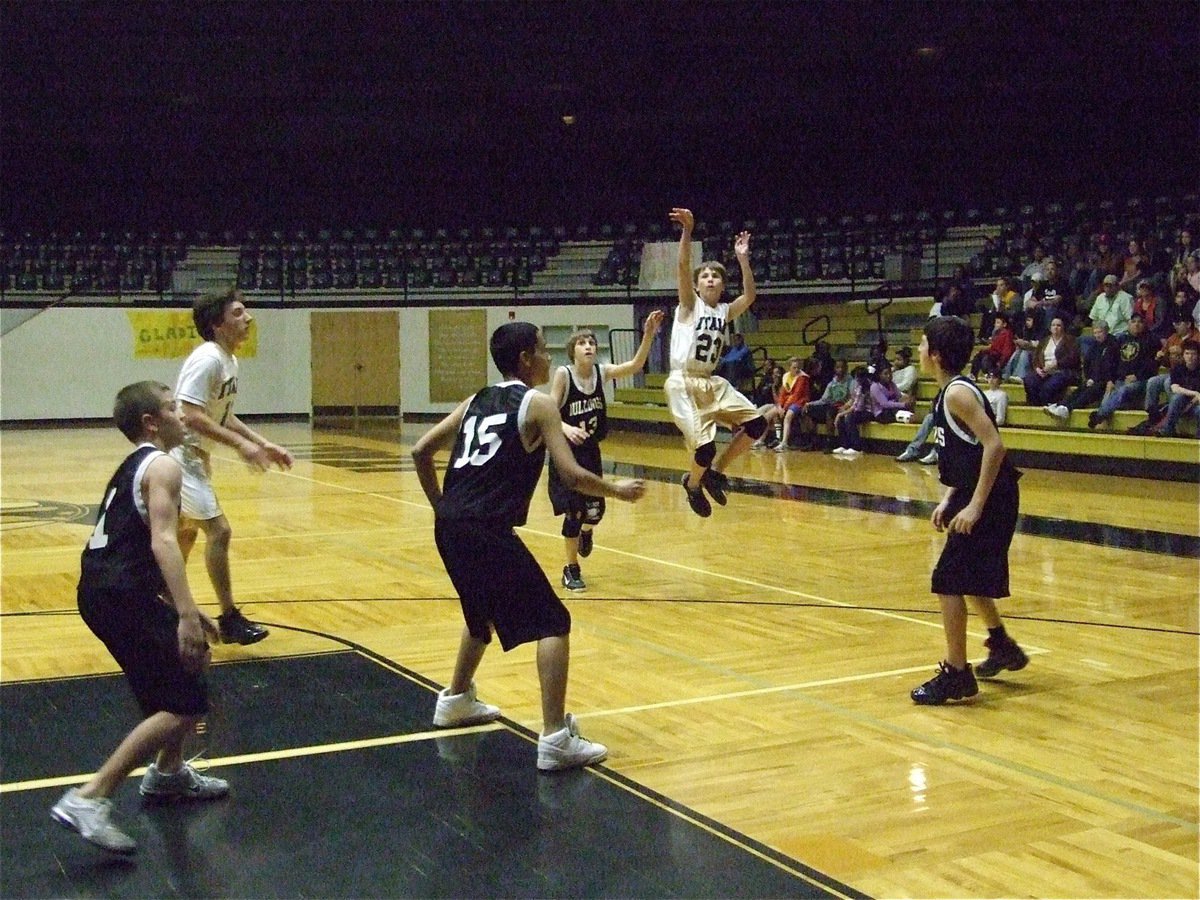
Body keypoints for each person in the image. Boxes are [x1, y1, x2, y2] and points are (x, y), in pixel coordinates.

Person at [411, 322, 646, 771]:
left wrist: (443, 508)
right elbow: (572, 475)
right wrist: (615, 489)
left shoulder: (474, 400)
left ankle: (456, 699)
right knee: (554, 622)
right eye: (543, 350)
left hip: (450, 528)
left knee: (481, 614)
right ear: (524, 359)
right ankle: (556, 738)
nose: (549, 358)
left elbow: (421, 452)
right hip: (486, 529)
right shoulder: (538, 404)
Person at [51, 382, 227, 855]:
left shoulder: (133, 465)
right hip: (120, 594)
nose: (182, 416)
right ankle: (89, 797)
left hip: (107, 590)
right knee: (184, 704)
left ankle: (168, 775)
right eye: (173, 409)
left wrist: (182, 607)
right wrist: (185, 615)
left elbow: (131, 543)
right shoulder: (165, 464)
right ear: (151, 421)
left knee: (191, 666)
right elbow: (163, 542)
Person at [911, 316, 1028, 706]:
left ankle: (957, 673)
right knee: (968, 577)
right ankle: (1001, 645)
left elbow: (994, 447)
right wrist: (950, 498)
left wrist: (975, 506)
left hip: (992, 496)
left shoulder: (958, 394)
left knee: (947, 579)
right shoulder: (947, 392)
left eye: (924, 344)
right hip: (978, 491)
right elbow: (966, 455)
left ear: (937, 354)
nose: (919, 350)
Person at [173, 287, 293, 644]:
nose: (248, 318)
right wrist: (241, 446)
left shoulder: (228, 360)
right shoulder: (208, 358)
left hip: (197, 458)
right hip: (182, 456)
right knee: (219, 531)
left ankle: (157, 600)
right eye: (238, 313)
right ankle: (229, 618)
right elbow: (190, 414)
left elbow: (221, 415)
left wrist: (261, 442)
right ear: (217, 324)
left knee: (183, 534)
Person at [665, 208, 771, 517]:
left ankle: (716, 472)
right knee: (703, 449)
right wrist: (687, 231)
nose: (710, 278)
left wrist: (743, 260)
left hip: (711, 382)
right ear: (697, 285)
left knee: (757, 423)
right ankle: (693, 484)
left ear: (722, 286)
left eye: (715, 276)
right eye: (705, 276)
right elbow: (684, 265)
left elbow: (749, 296)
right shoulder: (688, 305)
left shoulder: (724, 311)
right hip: (683, 382)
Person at [549, 310, 664, 591]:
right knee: (573, 513)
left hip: (590, 451)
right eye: (582, 343)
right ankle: (571, 568)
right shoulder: (564, 374)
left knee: (595, 512)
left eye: (591, 342)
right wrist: (565, 428)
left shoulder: (602, 372)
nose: (588, 346)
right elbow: (550, 410)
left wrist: (648, 334)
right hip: (565, 453)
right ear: (572, 351)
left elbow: (636, 365)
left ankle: (587, 532)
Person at [1087, 313, 1159, 429]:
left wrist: (1137, 375)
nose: (1136, 324)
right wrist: (1110, 380)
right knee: (1109, 392)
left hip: (1142, 381)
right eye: (1133, 322)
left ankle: (1099, 415)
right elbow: (1110, 361)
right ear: (1129, 324)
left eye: (1139, 322)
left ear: (1144, 324)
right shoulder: (1121, 339)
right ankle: (1101, 423)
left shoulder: (1151, 340)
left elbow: (1152, 364)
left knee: (1124, 390)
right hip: (1120, 379)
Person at [1043, 320, 1119, 423]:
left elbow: (1111, 366)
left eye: (1100, 332)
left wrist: (1108, 380)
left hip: (1107, 380)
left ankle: (1067, 409)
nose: (1097, 335)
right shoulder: (1095, 346)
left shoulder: (1113, 345)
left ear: (1106, 331)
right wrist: (1089, 378)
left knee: (1090, 391)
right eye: (1095, 333)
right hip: (1094, 378)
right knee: (1080, 389)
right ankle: (1061, 405)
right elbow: (1088, 363)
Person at [1022, 316, 1080, 406]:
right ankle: (1035, 406)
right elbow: (1036, 357)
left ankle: (1048, 406)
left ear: (1063, 327)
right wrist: (1037, 368)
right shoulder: (1044, 340)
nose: (1055, 327)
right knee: (1029, 380)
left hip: (1062, 371)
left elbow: (1073, 358)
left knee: (1048, 387)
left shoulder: (1070, 340)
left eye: (1058, 325)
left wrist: (1056, 364)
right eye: (1053, 325)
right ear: (1050, 328)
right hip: (1044, 371)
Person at [1154, 339, 1200, 437]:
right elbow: (1175, 388)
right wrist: (1195, 393)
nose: (1190, 357)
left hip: (1196, 404)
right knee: (1177, 397)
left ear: (1198, 356)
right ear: (1183, 355)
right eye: (1187, 353)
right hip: (1181, 402)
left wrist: (1193, 399)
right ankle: (1168, 428)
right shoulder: (1178, 368)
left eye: (1193, 354)